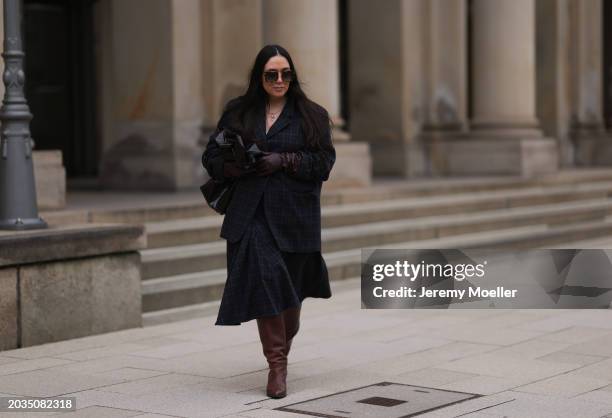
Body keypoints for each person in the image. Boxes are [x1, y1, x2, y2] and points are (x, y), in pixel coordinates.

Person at [201, 44, 336, 399]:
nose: (279, 80)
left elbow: (323, 163)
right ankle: (277, 366)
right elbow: (210, 155)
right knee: (266, 279)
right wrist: (234, 165)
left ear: (293, 76)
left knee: (288, 295)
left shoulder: (312, 115)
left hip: (295, 216)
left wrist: (285, 160)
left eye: (285, 74)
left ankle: (283, 346)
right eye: (271, 74)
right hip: (250, 213)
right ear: (259, 78)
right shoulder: (238, 112)